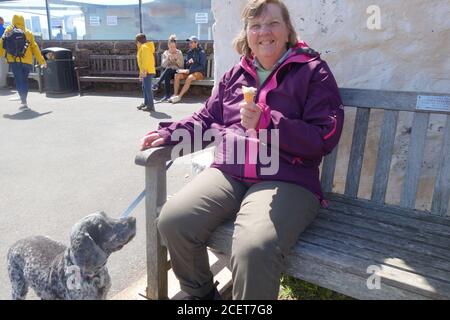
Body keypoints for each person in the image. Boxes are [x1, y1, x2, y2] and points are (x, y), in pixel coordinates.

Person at [140, 0, 344, 300]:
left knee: (252, 249)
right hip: (231, 170)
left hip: (287, 178)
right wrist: (169, 132)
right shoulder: (235, 75)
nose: (264, 32)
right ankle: (201, 295)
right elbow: (208, 118)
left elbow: (323, 137)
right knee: (173, 221)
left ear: (288, 30)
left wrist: (269, 123)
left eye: (273, 23)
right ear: (247, 33)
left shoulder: (313, 71)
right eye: (255, 25)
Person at [0, 15, 46, 109]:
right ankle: (24, 98)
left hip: (14, 60)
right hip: (27, 61)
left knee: (19, 80)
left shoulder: (8, 31)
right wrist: (41, 61)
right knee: (24, 80)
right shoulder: (28, 32)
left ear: (13, 21)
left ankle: (23, 100)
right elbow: (35, 47)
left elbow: (2, 43)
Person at [168, 35, 206, 104]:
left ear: (196, 43)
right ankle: (175, 94)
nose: (190, 44)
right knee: (177, 75)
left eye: (191, 43)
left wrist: (190, 71)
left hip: (199, 73)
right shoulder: (190, 52)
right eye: (189, 43)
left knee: (189, 77)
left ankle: (179, 96)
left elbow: (202, 66)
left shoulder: (201, 53)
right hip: (189, 72)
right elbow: (186, 64)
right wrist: (188, 62)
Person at [152, 34, 184, 102]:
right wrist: (168, 59)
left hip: (177, 72)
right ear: (168, 45)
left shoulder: (179, 52)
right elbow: (163, 65)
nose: (172, 48)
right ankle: (167, 95)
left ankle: (158, 84)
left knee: (168, 70)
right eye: (171, 46)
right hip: (168, 72)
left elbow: (181, 66)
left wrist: (176, 60)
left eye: (174, 46)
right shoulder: (165, 53)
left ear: (175, 46)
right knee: (167, 72)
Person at [135, 33, 156, 112]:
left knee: (147, 89)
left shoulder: (144, 48)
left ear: (138, 41)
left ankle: (150, 106)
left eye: (136, 42)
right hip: (146, 70)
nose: (136, 44)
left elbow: (145, 61)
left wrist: (143, 72)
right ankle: (146, 103)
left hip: (147, 71)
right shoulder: (143, 47)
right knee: (145, 88)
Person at [0, 16, 7, 88]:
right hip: (2, 51)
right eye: (2, 21)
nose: (3, 22)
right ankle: (2, 84)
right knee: (3, 68)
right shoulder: (3, 29)